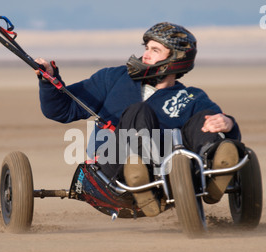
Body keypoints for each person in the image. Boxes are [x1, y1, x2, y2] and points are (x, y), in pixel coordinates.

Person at [35, 22, 242, 217]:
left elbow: (226, 133)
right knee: (138, 112)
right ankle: (137, 173)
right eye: (146, 48)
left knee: (206, 121)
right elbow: (61, 110)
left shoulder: (192, 97)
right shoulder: (112, 79)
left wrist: (228, 124)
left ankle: (214, 179)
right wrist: (49, 79)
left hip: (169, 177)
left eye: (155, 50)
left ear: (176, 59)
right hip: (109, 171)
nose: (145, 55)